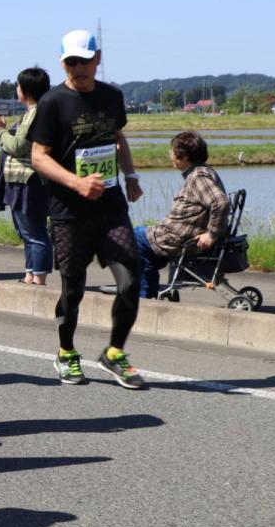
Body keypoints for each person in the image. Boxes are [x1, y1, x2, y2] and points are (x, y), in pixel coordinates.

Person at [27, 29, 147, 389]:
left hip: (111, 206)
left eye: (85, 61)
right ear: (62, 62)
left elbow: (118, 138)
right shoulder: (52, 102)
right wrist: (76, 183)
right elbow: (38, 157)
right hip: (68, 212)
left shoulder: (112, 96)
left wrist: (131, 176)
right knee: (73, 288)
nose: (78, 68)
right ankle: (66, 352)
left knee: (130, 281)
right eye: (71, 62)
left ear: (98, 59)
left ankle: (114, 353)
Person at [133, 131, 229, 298]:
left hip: (178, 239)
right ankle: (150, 288)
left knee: (133, 239)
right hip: (177, 235)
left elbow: (220, 202)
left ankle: (145, 296)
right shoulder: (202, 171)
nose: (170, 155)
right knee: (140, 233)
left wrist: (212, 234)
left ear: (183, 156)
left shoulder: (198, 176)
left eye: (171, 152)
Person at [0, 68, 52, 285]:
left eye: (19, 86)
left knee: (35, 231)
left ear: (27, 91)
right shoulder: (31, 113)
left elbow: (17, 145)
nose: (16, 89)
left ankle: (38, 277)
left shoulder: (35, 114)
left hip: (29, 180)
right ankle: (29, 275)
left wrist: (0, 131)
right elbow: (13, 142)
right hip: (20, 180)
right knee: (26, 231)